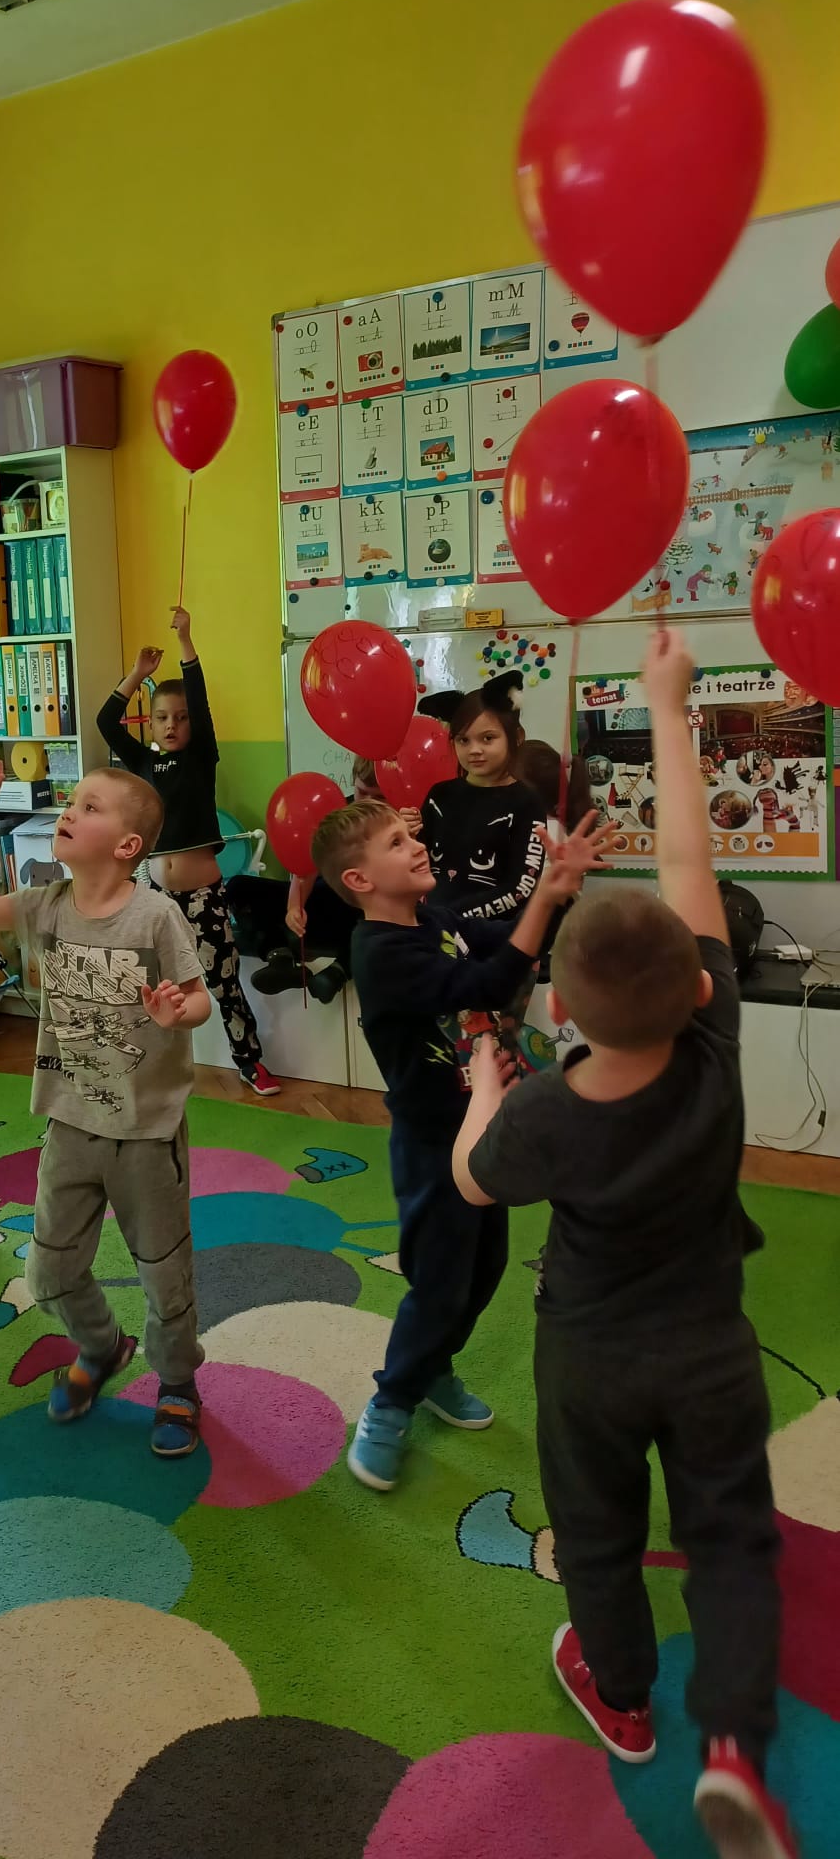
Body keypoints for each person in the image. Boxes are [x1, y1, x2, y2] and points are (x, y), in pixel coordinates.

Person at [454, 628, 796, 1859]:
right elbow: (693, 853)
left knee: (596, 1532)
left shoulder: (545, 1110)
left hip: (589, 1360)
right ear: (703, 985)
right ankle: (732, 1743)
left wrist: (483, 1089)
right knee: (731, 1536)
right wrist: (668, 702)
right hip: (710, 1351)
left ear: (560, 1009)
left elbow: (473, 1181)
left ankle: (626, 1698)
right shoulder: (712, 1043)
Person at [312, 795, 605, 1492]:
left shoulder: (435, 918)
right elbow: (491, 980)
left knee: (485, 1268)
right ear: (359, 880)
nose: (416, 844)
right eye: (395, 842)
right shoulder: (379, 953)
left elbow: (507, 941)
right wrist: (543, 902)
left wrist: (556, 893)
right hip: (432, 1142)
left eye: (408, 834)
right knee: (438, 1281)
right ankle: (391, 1401)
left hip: (484, 1126)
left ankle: (434, 1369)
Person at [0, 756, 213, 1457]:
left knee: (164, 1272)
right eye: (73, 800)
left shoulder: (155, 915)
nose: (69, 810)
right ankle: (102, 1346)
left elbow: (199, 999)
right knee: (49, 1272)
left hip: (146, 1131)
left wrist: (177, 1012)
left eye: (91, 806)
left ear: (127, 845)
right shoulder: (45, 905)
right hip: (69, 1121)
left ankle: (177, 1381)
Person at [98, 605, 278, 1095]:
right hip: (155, 898)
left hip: (202, 897)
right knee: (150, 986)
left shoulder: (201, 757)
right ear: (151, 724)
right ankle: (146, 1064)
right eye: (161, 718)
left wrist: (185, 642)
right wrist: (138, 673)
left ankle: (250, 1062)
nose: (172, 725)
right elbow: (106, 722)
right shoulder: (143, 762)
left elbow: (198, 699)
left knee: (224, 983)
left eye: (180, 718)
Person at [264, 758, 421, 1003]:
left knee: (375, 916)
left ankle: (338, 972)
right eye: (362, 792)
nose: (368, 802)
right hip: (331, 895)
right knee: (241, 888)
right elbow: (305, 867)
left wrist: (405, 836)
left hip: (373, 907)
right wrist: (294, 906)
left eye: (379, 797)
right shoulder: (337, 812)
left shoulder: (403, 821)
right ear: (353, 783)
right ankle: (280, 959)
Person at [420, 675, 548, 922]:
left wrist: (454, 918)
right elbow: (415, 863)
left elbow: (521, 888)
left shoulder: (527, 803)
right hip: (434, 930)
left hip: (492, 936)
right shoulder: (439, 795)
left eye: (488, 738)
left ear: (517, 737)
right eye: (463, 740)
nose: (474, 750)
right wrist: (405, 834)